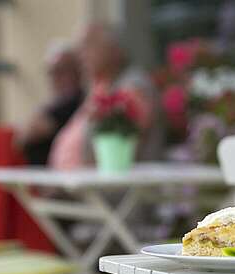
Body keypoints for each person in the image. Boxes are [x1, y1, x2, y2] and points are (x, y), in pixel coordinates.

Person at [49, 22, 160, 170]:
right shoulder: (101, 86)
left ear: (115, 50)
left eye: (88, 45)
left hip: (112, 190)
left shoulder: (134, 85)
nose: (81, 55)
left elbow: (123, 148)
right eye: (79, 49)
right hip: (75, 185)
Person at [18, 43, 85, 165]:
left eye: (61, 71)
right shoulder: (56, 103)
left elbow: (28, 133)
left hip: (60, 179)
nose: (55, 78)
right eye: (51, 72)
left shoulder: (74, 102)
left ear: (77, 71)